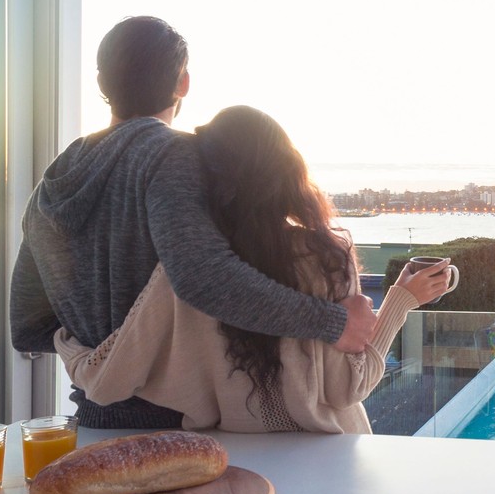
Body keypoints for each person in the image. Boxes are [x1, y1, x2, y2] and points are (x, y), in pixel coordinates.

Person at [10, 17, 378, 427]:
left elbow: (28, 327)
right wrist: (333, 323)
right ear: (183, 83)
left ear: (101, 82)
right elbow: (205, 278)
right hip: (183, 427)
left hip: (94, 423)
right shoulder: (174, 155)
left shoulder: (50, 185)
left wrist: (101, 344)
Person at [54, 105, 455, 433]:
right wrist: (400, 303)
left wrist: (66, 341)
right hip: (327, 457)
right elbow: (350, 386)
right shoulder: (323, 257)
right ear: (288, 172)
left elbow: (110, 376)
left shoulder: (186, 275)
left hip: (238, 462)